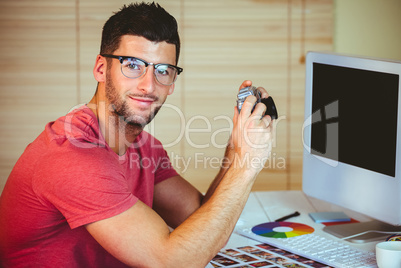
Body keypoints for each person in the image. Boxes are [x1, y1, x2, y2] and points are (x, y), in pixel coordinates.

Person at [0, 2, 274, 267]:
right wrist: (247, 164)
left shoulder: (144, 147)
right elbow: (172, 261)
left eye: (163, 70)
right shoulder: (72, 154)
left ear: (172, 83)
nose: (148, 85)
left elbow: (200, 219)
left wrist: (238, 147)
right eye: (132, 65)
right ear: (100, 68)